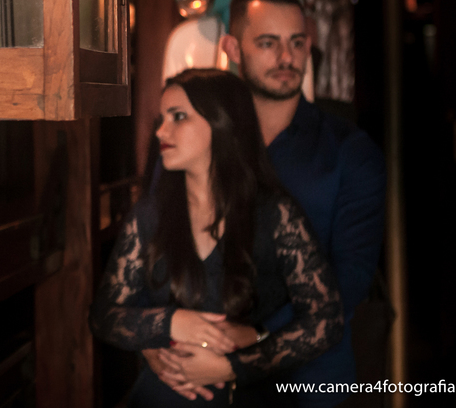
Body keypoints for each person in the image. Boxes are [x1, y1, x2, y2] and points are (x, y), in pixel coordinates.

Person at [144, 0, 386, 405]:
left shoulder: (350, 151)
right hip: (193, 371)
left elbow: (352, 275)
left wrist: (256, 337)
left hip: (307, 378)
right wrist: (152, 333)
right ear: (233, 49)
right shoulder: (188, 137)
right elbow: (153, 241)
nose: (286, 58)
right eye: (268, 44)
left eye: (296, 43)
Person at [91, 69, 344, 406]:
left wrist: (232, 367)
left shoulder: (275, 214)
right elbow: (103, 316)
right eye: (161, 119)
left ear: (223, 123)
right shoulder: (150, 215)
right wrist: (170, 323)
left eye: (179, 117)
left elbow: (326, 319)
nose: (162, 131)